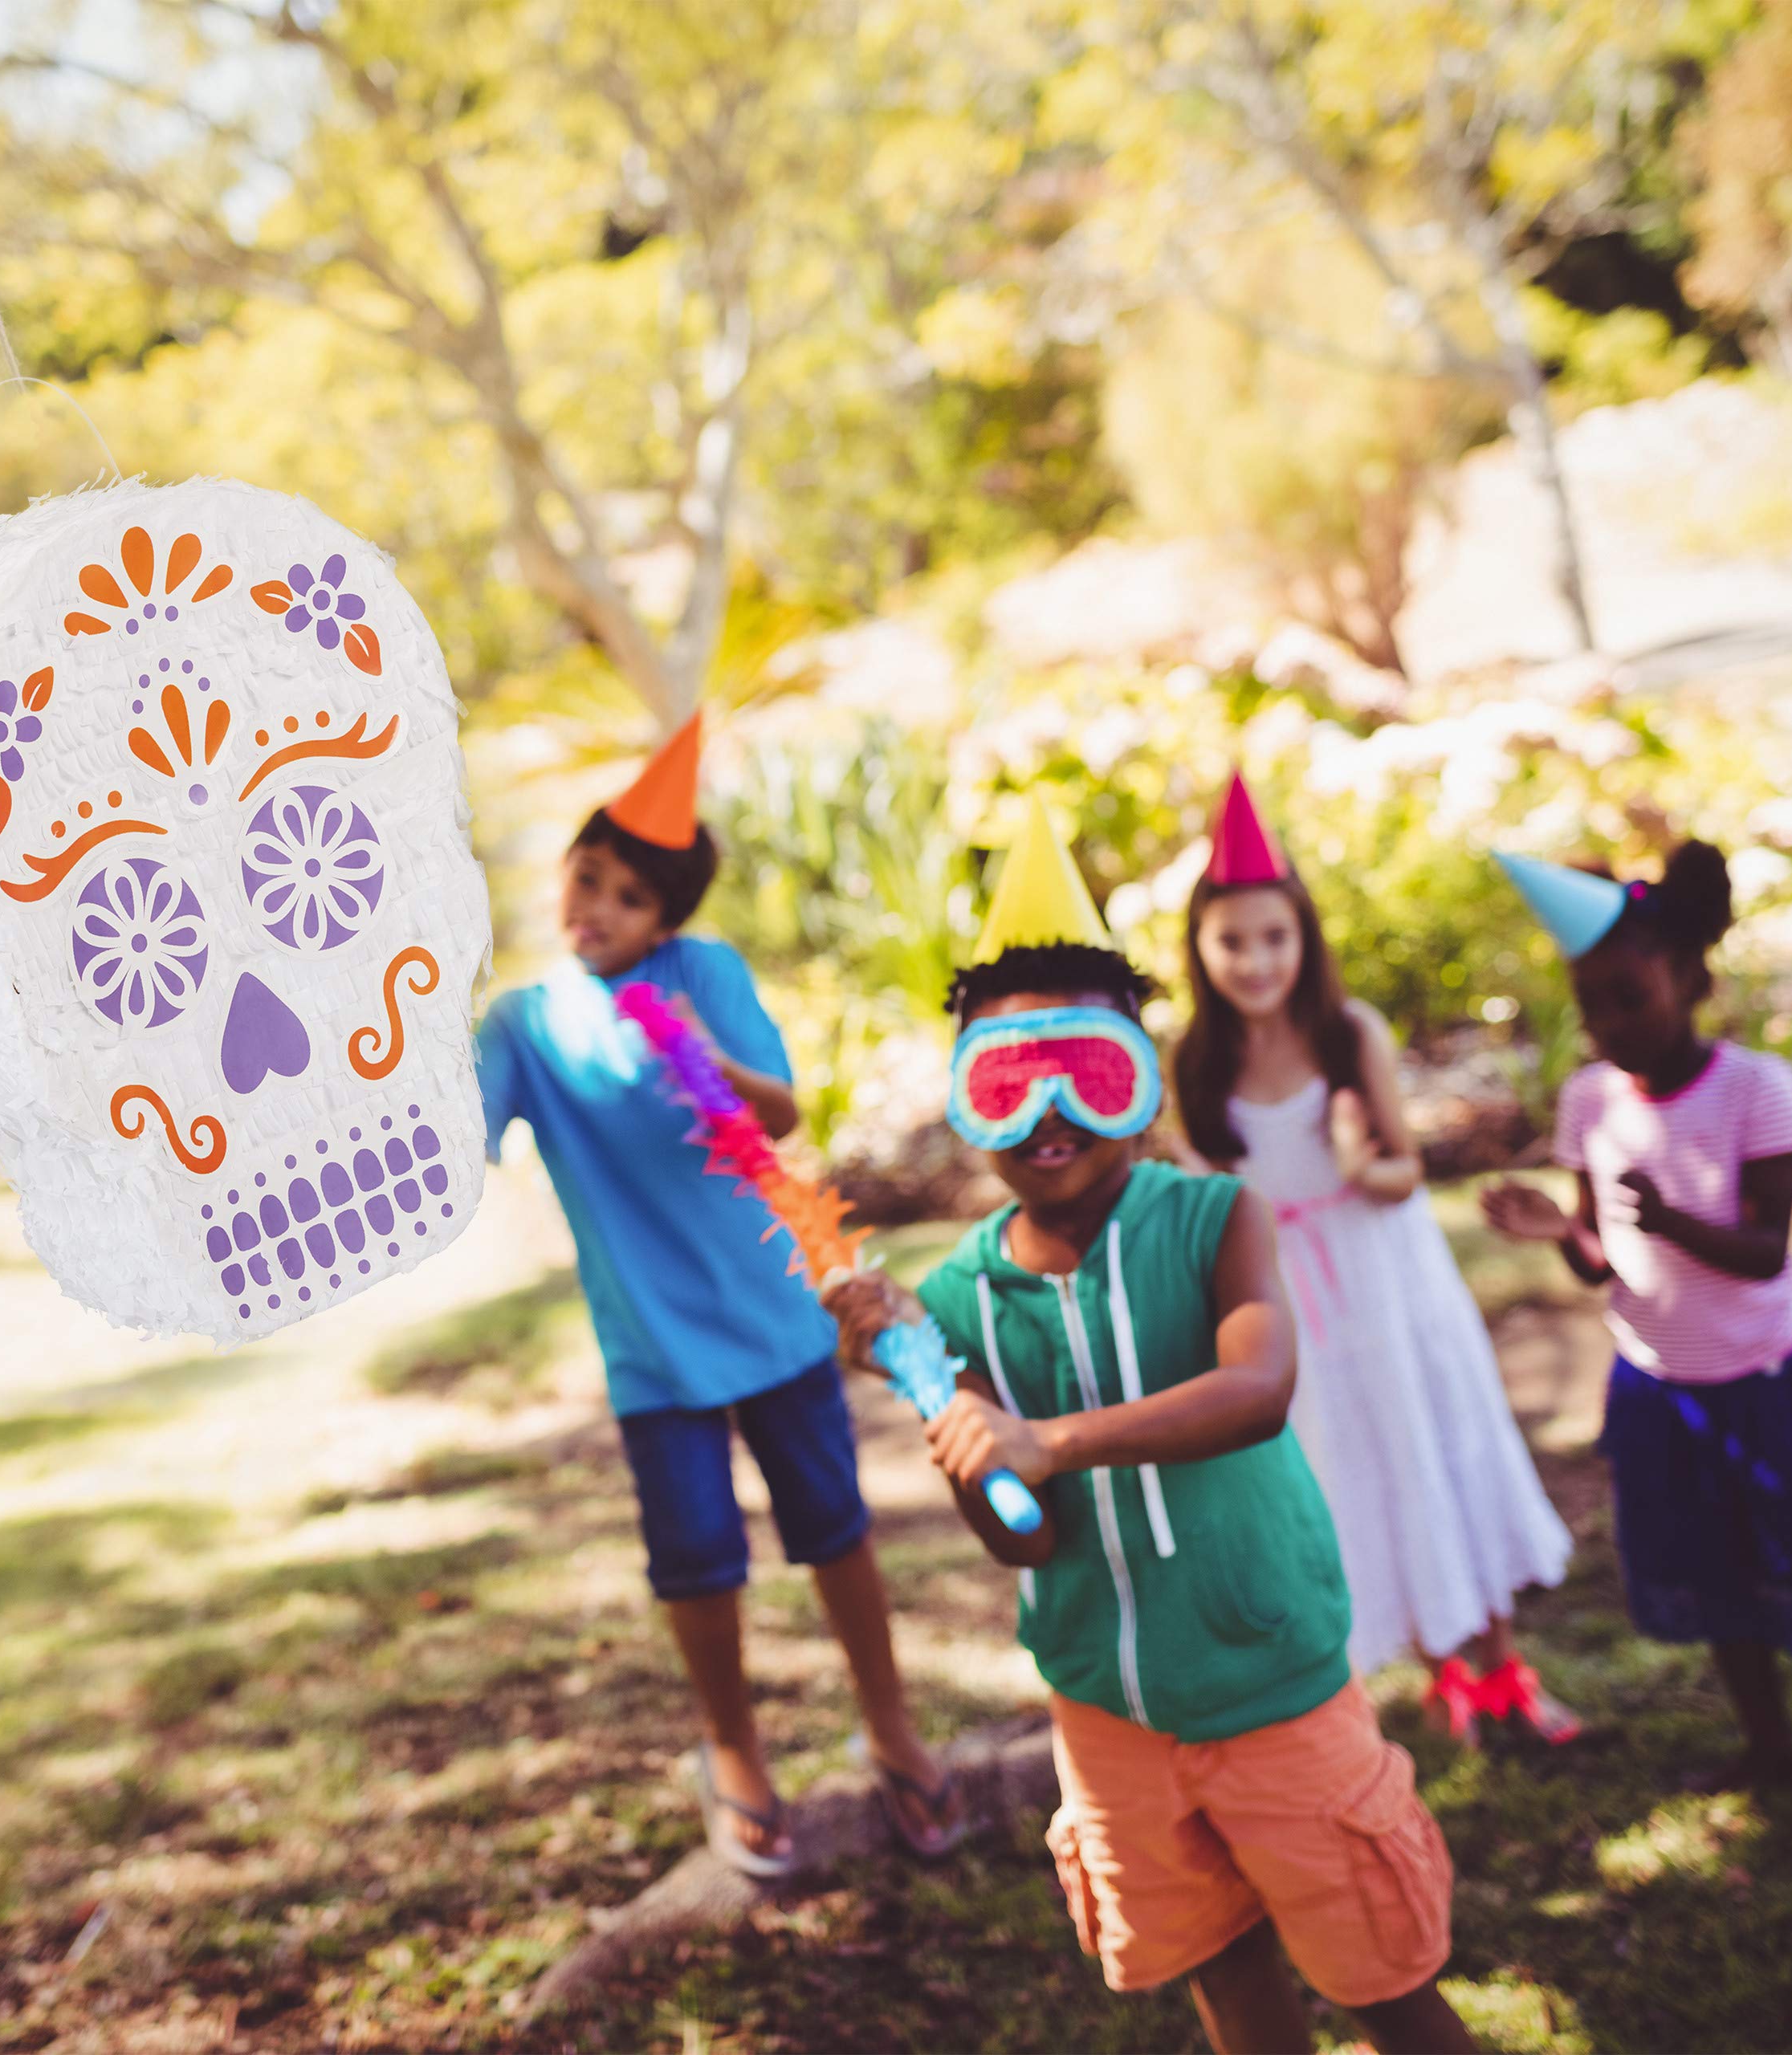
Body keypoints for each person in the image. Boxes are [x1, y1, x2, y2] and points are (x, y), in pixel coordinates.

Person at [825, 796, 1473, 2055]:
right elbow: (1019, 1537)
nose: (1050, 1109)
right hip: (1106, 1712)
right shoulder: (957, 1296)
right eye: (1009, 1078)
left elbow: (1259, 1388)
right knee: (1224, 1978)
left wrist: (1048, 1441)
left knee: (1384, 1981)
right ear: (967, 1098)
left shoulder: (1215, 1217)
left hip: (1273, 1686)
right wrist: (941, 1400)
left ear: (1138, 1076)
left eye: (1090, 1068)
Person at [473, 711, 959, 1875]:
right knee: (696, 1556)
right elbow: (461, 1146)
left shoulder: (707, 974)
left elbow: (777, 1112)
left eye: (630, 898)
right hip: (655, 1347)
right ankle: (730, 1747)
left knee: (833, 1530)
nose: (597, 908)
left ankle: (888, 1722)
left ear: (667, 919)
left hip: (774, 1315)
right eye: (587, 878)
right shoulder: (527, 1025)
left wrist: (704, 1053)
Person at [1171, 774, 1577, 1747]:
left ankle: (1500, 1664)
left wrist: (1362, 1159)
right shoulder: (1195, 1064)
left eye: (1274, 936)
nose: (1255, 959)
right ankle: (1439, 1665)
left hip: (1385, 1282)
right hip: (1290, 1299)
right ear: (1199, 948)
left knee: (1429, 1442)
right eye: (1232, 940)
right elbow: (1210, 1200)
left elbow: (1400, 1172)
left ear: (1304, 936)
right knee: (1350, 1460)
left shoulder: (1348, 1035)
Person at [1484, 840, 1792, 1790]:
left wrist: (1670, 1218)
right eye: (1591, 1006)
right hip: (1661, 1390)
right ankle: (1768, 1745)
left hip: (1763, 1379)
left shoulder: (1756, 1089)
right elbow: (1599, 1262)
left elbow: (1763, 1254)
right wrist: (1555, 1232)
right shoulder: (1588, 1101)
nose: (1609, 1023)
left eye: (1630, 995)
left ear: (1689, 978)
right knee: (1716, 1576)